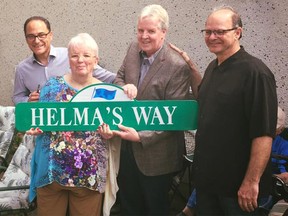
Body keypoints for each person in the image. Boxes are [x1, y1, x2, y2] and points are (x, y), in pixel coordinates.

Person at [26, 33, 135, 216]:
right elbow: (42, 122)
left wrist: (109, 135)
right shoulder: (51, 87)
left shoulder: (105, 92)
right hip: (51, 176)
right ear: (68, 60)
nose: (80, 60)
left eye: (86, 55)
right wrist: (37, 129)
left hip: (88, 178)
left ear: (95, 60)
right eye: (75, 55)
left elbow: (114, 132)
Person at [112, 4, 202, 215]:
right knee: (129, 207)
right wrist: (123, 87)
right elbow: (118, 77)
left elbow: (175, 117)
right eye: (140, 30)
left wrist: (141, 136)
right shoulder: (133, 49)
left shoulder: (176, 65)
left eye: (151, 31)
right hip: (127, 150)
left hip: (157, 157)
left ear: (163, 32)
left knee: (155, 209)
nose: (144, 36)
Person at [192, 5, 278, 215]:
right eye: (208, 31)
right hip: (208, 185)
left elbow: (263, 134)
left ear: (238, 32)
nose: (212, 37)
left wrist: (251, 182)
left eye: (220, 31)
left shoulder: (256, 73)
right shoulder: (213, 68)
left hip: (237, 191)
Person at [12, 16, 115, 105]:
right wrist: (27, 101)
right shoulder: (22, 69)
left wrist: (127, 87)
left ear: (50, 35)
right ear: (26, 39)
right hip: (47, 120)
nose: (37, 40)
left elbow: (111, 78)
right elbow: (17, 97)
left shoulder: (72, 56)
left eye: (42, 35)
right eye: (31, 36)